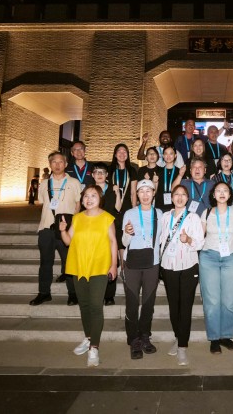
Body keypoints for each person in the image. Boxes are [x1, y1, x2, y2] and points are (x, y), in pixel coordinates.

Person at [58, 184, 118, 368]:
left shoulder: (107, 218)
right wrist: (62, 230)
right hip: (79, 266)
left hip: (99, 266)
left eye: (93, 196)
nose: (89, 199)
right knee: (84, 305)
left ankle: (94, 347)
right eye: (86, 196)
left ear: (100, 199)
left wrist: (114, 265)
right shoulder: (77, 218)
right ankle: (88, 337)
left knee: (95, 306)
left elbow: (113, 242)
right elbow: (68, 241)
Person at [159, 184, 205, 366]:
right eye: (176, 194)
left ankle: (183, 347)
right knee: (173, 306)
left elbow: (200, 243)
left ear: (187, 198)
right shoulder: (164, 217)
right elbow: (160, 240)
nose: (179, 197)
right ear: (171, 198)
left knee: (185, 307)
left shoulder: (193, 217)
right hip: (168, 266)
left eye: (183, 195)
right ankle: (178, 337)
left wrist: (188, 239)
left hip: (188, 266)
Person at [30, 151, 80, 307]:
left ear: (66, 164)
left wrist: (73, 226)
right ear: (50, 164)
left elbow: (78, 204)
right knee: (45, 262)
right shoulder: (44, 184)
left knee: (69, 262)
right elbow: (42, 202)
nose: (57, 165)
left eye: (61, 162)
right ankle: (44, 293)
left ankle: (73, 293)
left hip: (66, 229)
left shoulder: (74, 182)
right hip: (46, 228)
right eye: (54, 162)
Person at [199, 181, 233, 354]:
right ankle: (214, 338)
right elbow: (199, 237)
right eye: (218, 190)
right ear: (213, 195)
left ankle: (226, 336)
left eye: (225, 190)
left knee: (230, 299)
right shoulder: (206, 212)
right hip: (209, 258)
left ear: (230, 194)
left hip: (230, 258)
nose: (222, 193)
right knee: (212, 301)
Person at [121, 179, 162, 359]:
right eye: (141, 191)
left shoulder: (159, 214)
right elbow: (124, 242)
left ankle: (145, 335)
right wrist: (127, 233)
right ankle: (133, 339)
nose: (145, 195)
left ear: (153, 193)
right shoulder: (129, 213)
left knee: (148, 302)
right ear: (137, 194)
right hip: (132, 263)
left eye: (148, 191)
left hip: (152, 262)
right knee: (132, 303)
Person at [106, 143, 137, 305]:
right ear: (115, 154)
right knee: (112, 243)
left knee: (124, 245)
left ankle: (125, 278)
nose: (122, 154)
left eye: (125, 151)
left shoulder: (132, 170)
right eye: (119, 151)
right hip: (111, 209)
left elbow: (133, 192)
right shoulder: (109, 169)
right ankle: (110, 288)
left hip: (126, 210)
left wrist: (134, 211)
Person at [155, 146, 183, 213]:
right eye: (166, 153)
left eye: (171, 153)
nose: (168, 156)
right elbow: (154, 191)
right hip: (160, 206)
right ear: (163, 156)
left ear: (175, 155)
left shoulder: (180, 172)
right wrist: (154, 182)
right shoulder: (158, 171)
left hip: (175, 206)